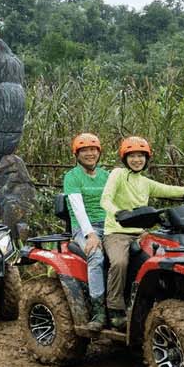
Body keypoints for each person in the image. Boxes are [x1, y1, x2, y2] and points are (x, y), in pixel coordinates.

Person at [99, 136, 184, 330]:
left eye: (141, 156)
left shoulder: (145, 182)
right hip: (117, 233)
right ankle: (115, 309)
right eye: (132, 156)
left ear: (146, 159)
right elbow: (105, 199)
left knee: (161, 262)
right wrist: (117, 212)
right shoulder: (117, 174)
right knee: (119, 262)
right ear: (125, 158)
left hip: (142, 234)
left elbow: (169, 190)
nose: (137, 160)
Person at [63, 132, 109, 329]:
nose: (90, 154)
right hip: (83, 228)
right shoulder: (72, 177)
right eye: (85, 150)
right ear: (77, 154)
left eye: (93, 150)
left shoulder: (107, 175)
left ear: (99, 153)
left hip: (109, 225)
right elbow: (77, 208)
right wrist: (90, 234)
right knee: (96, 256)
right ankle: (98, 311)